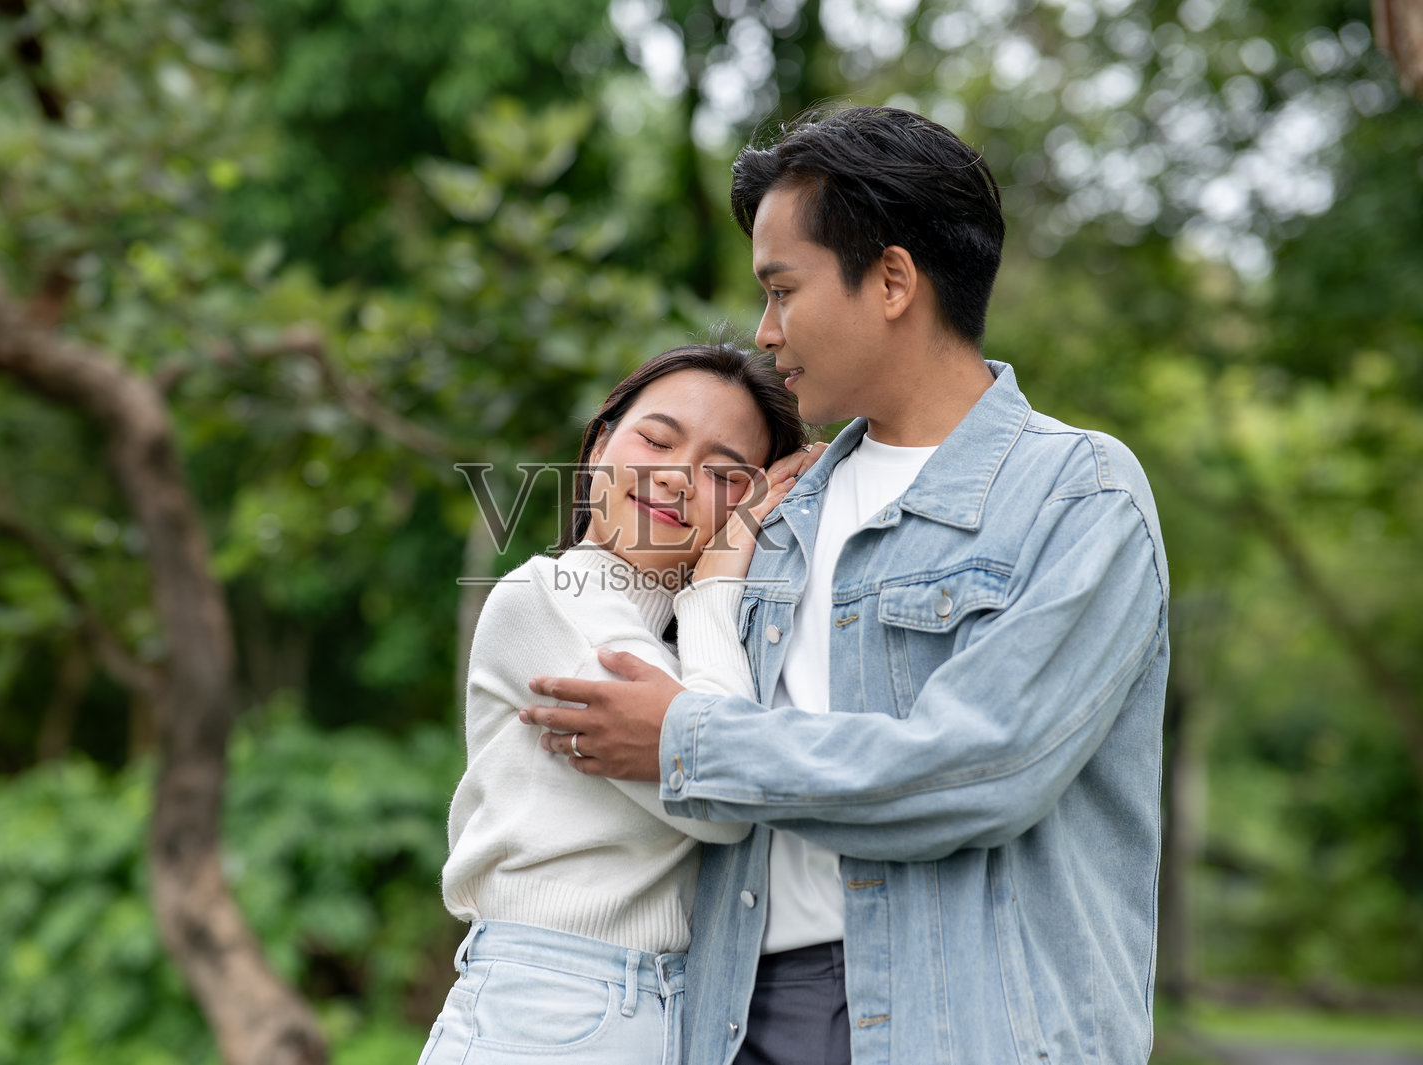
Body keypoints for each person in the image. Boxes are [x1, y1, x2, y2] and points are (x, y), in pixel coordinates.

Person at [520, 106, 1170, 1065]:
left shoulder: (1076, 494)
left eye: (783, 291)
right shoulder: (777, 508)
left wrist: (687, 742)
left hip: (970, 1024)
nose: (764, 331)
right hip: (739, 1014)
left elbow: (984, 767)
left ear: (893, 281)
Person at [420, 342, 816, 1065]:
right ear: (600, 445)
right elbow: (724, 794)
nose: (675, 477)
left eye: (724, 474)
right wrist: (717, 580)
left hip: (665, 1005)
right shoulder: (547, 599)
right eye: (657, 441)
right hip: (548, 1005)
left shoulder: (695, 650)